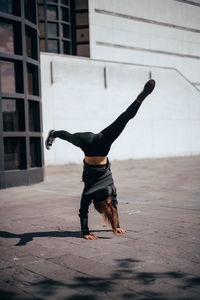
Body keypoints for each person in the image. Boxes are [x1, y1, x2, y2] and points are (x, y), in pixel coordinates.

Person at [45, 79, 156, 240]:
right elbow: (86, 211)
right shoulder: (92, 193)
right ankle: (54, 133)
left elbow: (109, 206)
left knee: (123, 119)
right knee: (71, 136)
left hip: (97, 145)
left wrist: (109, 227)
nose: (110, 202)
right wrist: (90, 231)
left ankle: (54, 133)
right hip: (94, 146)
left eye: (108, 203)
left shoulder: (104, 191)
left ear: (104, 202)